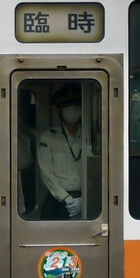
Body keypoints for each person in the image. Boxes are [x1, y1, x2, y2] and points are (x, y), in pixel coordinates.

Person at [35, 84, 87, 219]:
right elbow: (47, 173)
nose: (73, 108)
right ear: (59, 111)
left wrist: (86, 199)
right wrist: (67, 199)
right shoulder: (49, 137)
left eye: (76, 104)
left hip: (87, 200)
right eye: (67, 105)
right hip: (58, 202)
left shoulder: (92, 136)